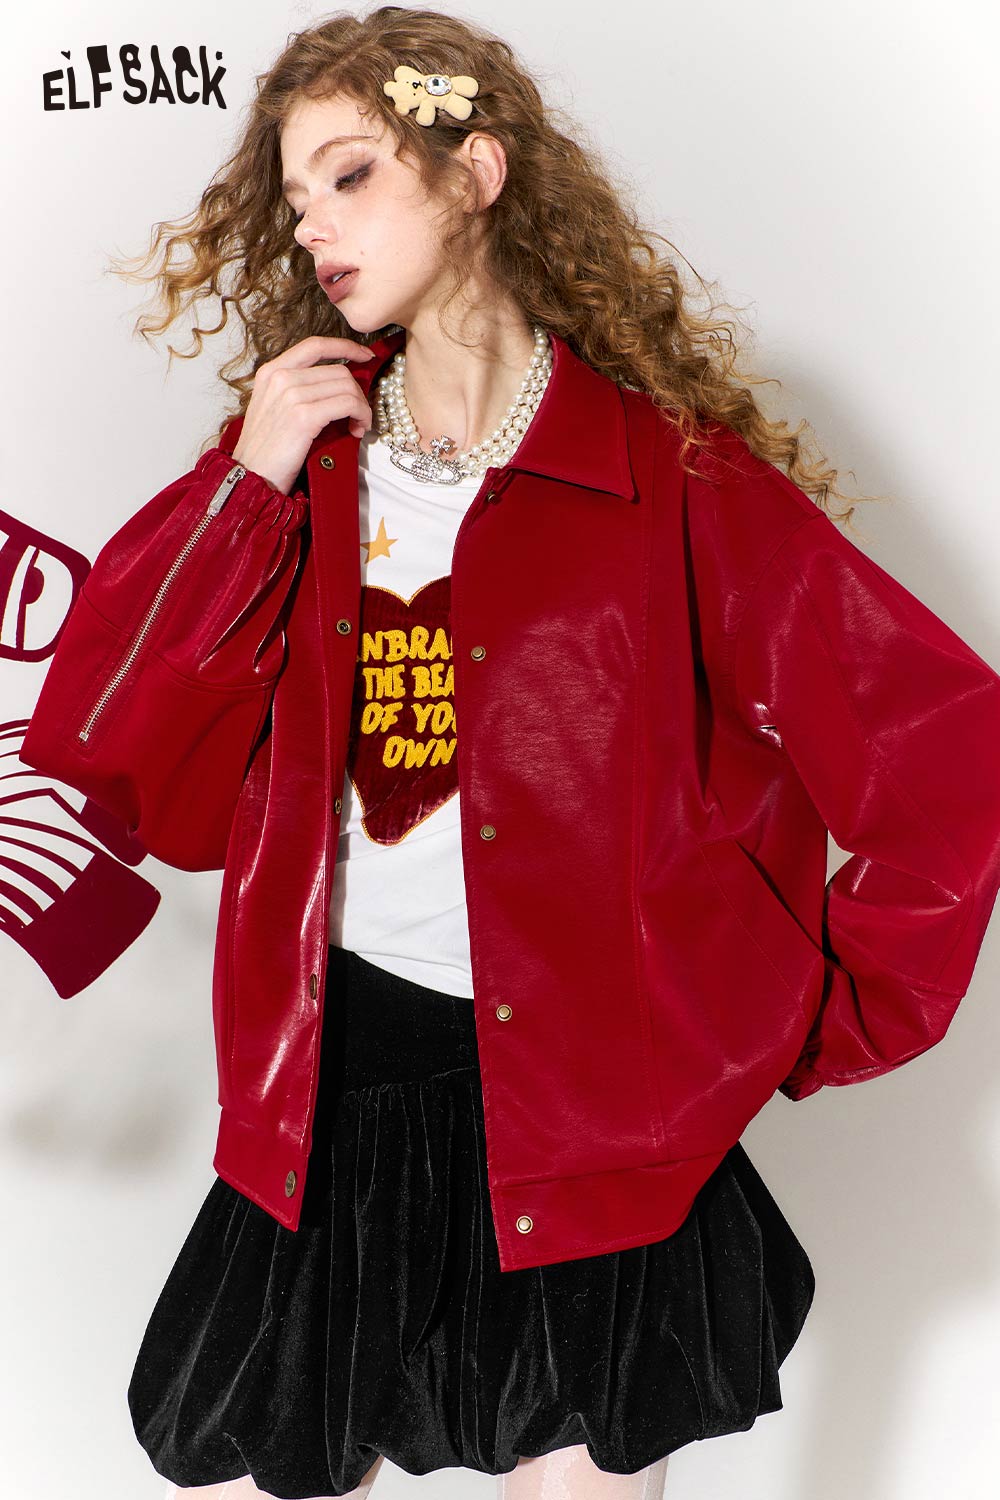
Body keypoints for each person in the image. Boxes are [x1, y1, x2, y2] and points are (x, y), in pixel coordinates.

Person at [18, 8, 1000, 1500]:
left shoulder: (666, 477)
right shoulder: (296, 467)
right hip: (338, 1082)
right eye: (296, 197)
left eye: (351, 174)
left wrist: (817, 1010)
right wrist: (248, 482)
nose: (314, 225)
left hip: (595, 1106)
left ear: (475, 171)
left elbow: (941, 742)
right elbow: (111, 745)